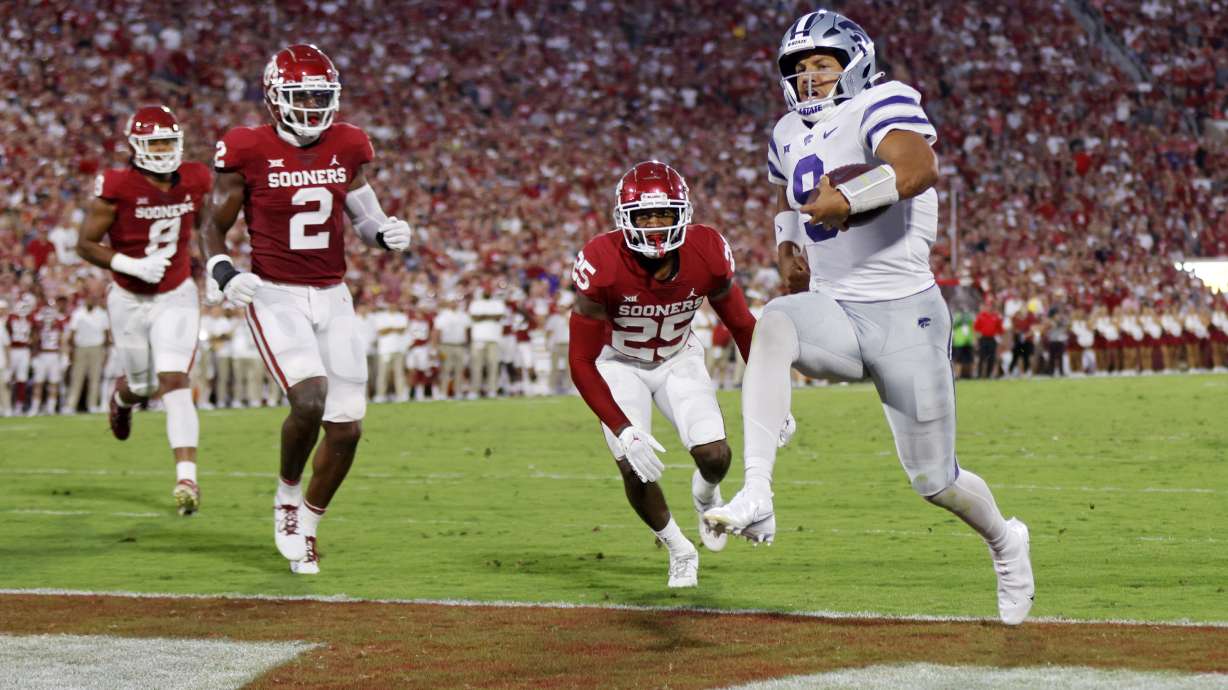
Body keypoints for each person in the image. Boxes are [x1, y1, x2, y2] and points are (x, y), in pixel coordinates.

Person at [703, 10, 1034, 625]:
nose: (809, 80)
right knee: (772, 320)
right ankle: (758, 490)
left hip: (907, 316)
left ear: (854, 62)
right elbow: (793, 199)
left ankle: (1005, 540)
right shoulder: (785, 132)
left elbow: (916, 168)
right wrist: (787, 242)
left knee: (936, 481)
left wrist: (845, 200)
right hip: (836, 309)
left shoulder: (884, 99)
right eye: (799, 70)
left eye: (822, 66)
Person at [201, 44, 412, 574]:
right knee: (310, 398)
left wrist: (384, 234)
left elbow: (364, 217)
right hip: (274, 292)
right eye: (304, 95)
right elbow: (211, 228)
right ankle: (286, 496)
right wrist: (223, 271)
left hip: (334, 293)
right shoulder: (245, 147)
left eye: (322, 95)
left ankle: (311, 524)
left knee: (347, 430)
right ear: (275, 97)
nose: (315, 105)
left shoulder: (347, 144)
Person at [568, 160, 787, 588]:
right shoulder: (601, 260)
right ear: (624, 218)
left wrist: (776, 391)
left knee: (715, 456)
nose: (654, 225)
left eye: (663, 214)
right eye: (644, 215)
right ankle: (679, 548)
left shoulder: (705, 250)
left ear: (682, 214)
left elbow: (742, 325)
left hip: (678, 357)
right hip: (618, 365)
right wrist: (623, 429)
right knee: (635, 467)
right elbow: (580, 361)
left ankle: (705, 495)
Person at [75, 105, 210, 515]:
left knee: (174, 378)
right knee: (143, 383)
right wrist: (128, 263)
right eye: (156, 143)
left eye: (170, 141)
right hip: (129, 296)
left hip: (176, 293)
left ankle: (187, 478)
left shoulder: (197, 178)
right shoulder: (116, 185)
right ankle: (123, 397)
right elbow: (85, 244)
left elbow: (201, 226)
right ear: (136, 147)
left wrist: (215, 270)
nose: (165, 149)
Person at [66, 292, 110, 413]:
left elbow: (106, 334)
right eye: (89, 299)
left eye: (93, 299)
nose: (91, 301)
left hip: (96, 348)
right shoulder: (78, 313)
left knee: (95, 378)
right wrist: (71, 351)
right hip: (81, 348)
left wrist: (106, 352)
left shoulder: (102, 314)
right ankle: (71, 405)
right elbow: (72, 333)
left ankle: (92, 405)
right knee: (77, 377)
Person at [30, 296, 70, 415]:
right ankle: (35, 407)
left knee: (54, 382)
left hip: (54, 355)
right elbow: (34, 340)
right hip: (42, 355)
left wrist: (64, 356)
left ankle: (51, 408)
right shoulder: (39, 324)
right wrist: (33, 356)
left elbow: (63, 341)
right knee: (38, 382)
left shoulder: (60, 323)